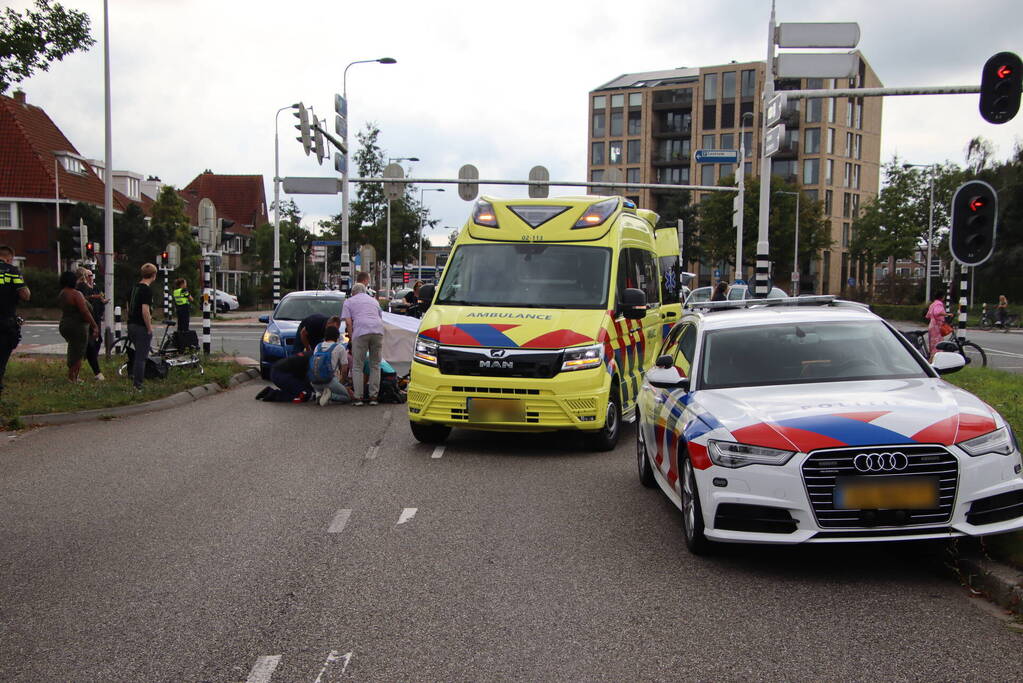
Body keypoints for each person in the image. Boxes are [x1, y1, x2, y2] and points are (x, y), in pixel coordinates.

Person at [341, 282, 385, 406]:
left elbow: (349, 322)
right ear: (365, 291)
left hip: (360, 332)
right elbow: (380, 317)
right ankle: (373, 396)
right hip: (377, 331)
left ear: (353, 293)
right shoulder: (374, 301)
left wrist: (351, 336)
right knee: (375, 364)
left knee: (357, 366)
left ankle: (358, 397)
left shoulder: (349, 302)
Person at [58, 271, 99, 383]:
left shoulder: (62, 293)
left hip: (65, 324)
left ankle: (73, 376)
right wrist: (94, 326)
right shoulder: (76, 294)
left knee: (73, 349)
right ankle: (73, 377)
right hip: (78, 326)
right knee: (78, 352)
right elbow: (85, 311)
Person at [0, 245, 30, 397]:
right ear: (9, 258)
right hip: (5, 321)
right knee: (3, 355)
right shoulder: (12, 271)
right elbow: (25, 295)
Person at [127, 263, 157, 391]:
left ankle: (134, 377)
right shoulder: (146, 290)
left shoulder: (134, 288)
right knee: (141, 357)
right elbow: (145, 310)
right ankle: (137, 385)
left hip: (131, 324)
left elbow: (128, 307)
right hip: (141, 326)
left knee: (137, 355)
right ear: (154, 275)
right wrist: (149, 327)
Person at [76, 267, 107, 380]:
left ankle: (95, 373)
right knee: (87, 347)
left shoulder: (93, 287)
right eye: (88, 275)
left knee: (89, 347)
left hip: (91, 319)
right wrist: (94, 325)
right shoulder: (82, 287)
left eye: (91, 275)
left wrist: (101, 300)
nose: (90, 277)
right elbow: (85, 305)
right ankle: (96, 374)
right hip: (86, 321)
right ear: (83, 276)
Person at [309, 325, 351, 406]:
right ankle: (330, 395)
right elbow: (344, 370)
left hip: (314, 381)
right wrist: (342, 384)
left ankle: (319, 394)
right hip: (329, 381)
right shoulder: (340, 348)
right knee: (347, 397)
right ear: (337, 336)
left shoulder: (318, 346)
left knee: (323, 387)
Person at [925, 287, 948, 358]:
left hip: (931, 325)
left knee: (932, 345)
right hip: (936, 327)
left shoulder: (933, 304)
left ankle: (932, 358)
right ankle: (936, 359)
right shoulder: (939, 304)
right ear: (942, 297)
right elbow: (937, 312)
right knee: (937, 344)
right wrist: (946, 314)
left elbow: (928, 315)